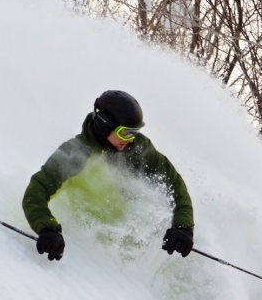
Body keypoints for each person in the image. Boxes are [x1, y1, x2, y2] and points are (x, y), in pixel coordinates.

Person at [22, 90, 194, 261]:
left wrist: (183, 226)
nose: (131, 139)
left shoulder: (139, 148)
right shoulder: (75, 154)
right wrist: (47, 228)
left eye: (135, 132)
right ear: (104, 125)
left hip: (137, 239)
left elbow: (175, 185)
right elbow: (36, 192)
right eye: (125, 132)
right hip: (96, 246)